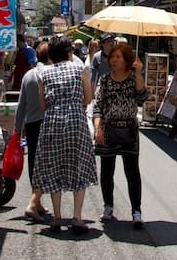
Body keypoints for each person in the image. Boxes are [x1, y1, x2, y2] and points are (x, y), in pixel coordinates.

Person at [32, 35, 97, 234]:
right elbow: (88, 97)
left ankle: (57, 217)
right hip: (76, 120)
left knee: (53, 165)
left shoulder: (44, 74)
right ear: (69, 52)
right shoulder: (80, 69)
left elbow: (42, 105)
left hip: (52, 122)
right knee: (79, 164)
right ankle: (77, 217)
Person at [93, 40, 148, 227]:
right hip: (109, 129)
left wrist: (139, 73)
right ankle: (108, 205)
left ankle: (136, 210)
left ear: (127, 60)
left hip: (129, 130)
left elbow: (142, 98)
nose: (114, 60)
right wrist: (97, 128)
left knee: (132, 171)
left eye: (118, 57)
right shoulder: (105, 80)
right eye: (112, 57)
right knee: (107, 170)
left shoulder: (134, 79)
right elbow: (98, 105)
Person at [14, 40, 51, 221]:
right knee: (46, 163)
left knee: (34, 162)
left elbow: (21, 105)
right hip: (47, 122)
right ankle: (34, 203)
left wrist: (16, 129)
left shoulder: (28, 75)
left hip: (30, 124)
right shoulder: (51, 74)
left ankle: (37, 202)